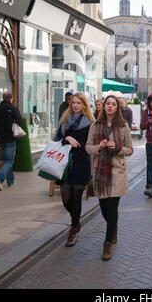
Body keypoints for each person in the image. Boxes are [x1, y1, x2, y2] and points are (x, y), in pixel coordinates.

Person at [86, 95, 133, 261]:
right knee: (104, 208)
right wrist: (98, 147)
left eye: (113, 104)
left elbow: (130, 149)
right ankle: (113, 227)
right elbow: (87, 147)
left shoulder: (123, 126)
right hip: (100, 171)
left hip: (117, 171)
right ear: (104, 107)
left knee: (112, 207)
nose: (110, 107)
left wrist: (118, 147)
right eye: (108, 104)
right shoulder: (95, 125)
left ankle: (107, 244)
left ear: (117, 108)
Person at [54, 93, 94, 247]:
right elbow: (57, 140)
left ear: (84, 105)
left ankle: (72, 229)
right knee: (66, 200)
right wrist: (67, 139)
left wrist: (78, 143)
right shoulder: (65, 120)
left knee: (76, 198)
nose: (75, 105)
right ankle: (76, 222)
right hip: (64, 163)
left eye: (79, 103)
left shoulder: (90, 123)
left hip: (81, 163)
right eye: (73, 103)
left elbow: (91, 145)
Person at [0, 91, 23, 190]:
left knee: (7, 160)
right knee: (9, 161)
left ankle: (10, 181)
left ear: (3, 98)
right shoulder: (13, 109)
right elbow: (20, 122)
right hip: (10, 139)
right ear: (11, 99)